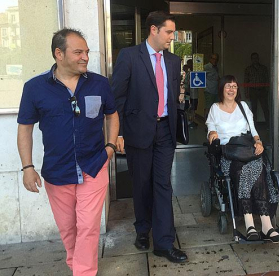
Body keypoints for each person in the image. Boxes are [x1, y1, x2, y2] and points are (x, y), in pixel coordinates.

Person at [17, 28, 119, 275]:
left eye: (86, 51)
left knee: (87, 226)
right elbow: (25, 129)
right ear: (59, 54)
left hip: (94, 166)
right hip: (57, 171)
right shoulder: (34, 88)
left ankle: (83, 271)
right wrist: (27, 168)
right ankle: (77, 264)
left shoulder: (100, 83)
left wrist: (110, 147)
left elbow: (112, 115)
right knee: (68, 228)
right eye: (78, 52)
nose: (85, 56)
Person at [111, 11, 188, 263]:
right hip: (137, 131)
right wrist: (118, 132)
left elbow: (173, 96)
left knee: (163, 184)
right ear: (154, 29)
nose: (171, 37)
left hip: (165, 130)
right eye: (168, 32)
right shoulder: (129, 56)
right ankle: (143, 230)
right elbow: (117, 97)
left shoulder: (174, 61)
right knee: (141, 184)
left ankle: (164, 242)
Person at [206, 75, 279, 243]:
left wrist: (259, 142)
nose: (231, 89)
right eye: (228, 86)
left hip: (247, 149)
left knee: (258, 167)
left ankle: (265, 225)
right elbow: (210, 130)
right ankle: (251, 224)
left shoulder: (243, 107)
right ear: (222, 89)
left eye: (234, 86)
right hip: (229, 155)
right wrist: (213, 134)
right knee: (245, 170)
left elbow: (253, 130)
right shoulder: (215, 108)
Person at [244, 52, 270, 126]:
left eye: (256, 58)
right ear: (251, 60)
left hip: (262, 90)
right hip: (253, 91)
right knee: (253, 110)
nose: (255, 60)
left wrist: (267, 90)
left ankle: (269, 125)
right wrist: (246, 92)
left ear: (258, 59)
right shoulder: (248, 69)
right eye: (253, 58)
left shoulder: (263, 68)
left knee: (265, 108)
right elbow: (246, 81)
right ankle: (253, 126)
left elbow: (267, 79)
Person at [203, 53, 220, 120]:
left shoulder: (216, 68)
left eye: (216, 59)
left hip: (216, 91)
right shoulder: (206, 67)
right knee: (208, 107)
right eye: (213, 58)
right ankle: (207, 123)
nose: (214, 60)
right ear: (210, 59)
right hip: (209, 91)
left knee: (216, 108)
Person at [183, 59, 199, 127]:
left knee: (192, 106)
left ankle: (191, 120)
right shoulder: (189, 74)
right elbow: (188, 83)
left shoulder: (193, 73)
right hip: (189, 92)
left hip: (191, 92)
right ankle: (190, 120)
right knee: (189, 105)